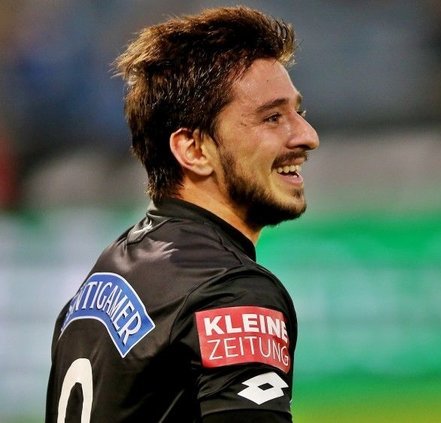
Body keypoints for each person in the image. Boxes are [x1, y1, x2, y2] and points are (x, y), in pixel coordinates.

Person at [45, 6, 319, 422]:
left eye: (299, 112)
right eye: (272, 117)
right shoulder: (229, 290)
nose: (306, 136)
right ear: (193, 149)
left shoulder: (107, 275)